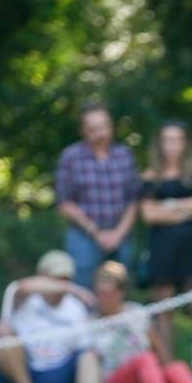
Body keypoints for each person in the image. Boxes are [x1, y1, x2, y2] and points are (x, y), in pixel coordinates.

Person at [0, 250, 106, 383]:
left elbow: (85, 347)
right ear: (41, 276)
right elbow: (22, 286)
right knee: (5, 336)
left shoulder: (76, 307)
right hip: (21, 370)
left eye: (66, 278)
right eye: (57, 278)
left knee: (89, 355)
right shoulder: (23, 297)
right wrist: (72, 288)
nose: (62, 285)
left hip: (57, 374)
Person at [139, 121, 192, 358]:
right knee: (164, 308)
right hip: (162, 247)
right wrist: (186, 212)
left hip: (191, 246)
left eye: (177, 139)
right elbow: (149, 214)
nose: (172, 145)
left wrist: (170, 205)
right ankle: (168, 364)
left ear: (185, 143)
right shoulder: (151, 176)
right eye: (167, 139)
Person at [56, 103, 141, 288]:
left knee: (117, 292)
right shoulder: (71, 157)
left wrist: (118, 233)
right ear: (82, 131)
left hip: (121, 237)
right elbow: (64, 203)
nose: (101, 133)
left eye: (104, 126)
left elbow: (134, 200)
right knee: (82, 292)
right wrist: (96, 232)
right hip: (84, 237)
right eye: (94, 128)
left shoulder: (124, 155)